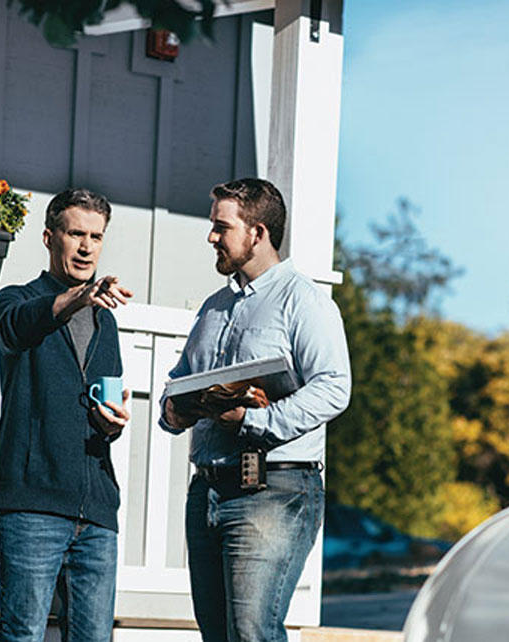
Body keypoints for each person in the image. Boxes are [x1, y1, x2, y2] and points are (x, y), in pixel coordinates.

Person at [159, 178, 351, 642]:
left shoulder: (303, 302)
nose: (211, 237)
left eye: (221, 227)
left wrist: (253, 420)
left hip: (275, 489)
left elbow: (335, 387)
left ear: (258, 233)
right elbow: (179, 382)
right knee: (219, 635)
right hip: (206, 491)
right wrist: (176, 410)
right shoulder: (213, 309)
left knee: (252, 634)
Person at [0, 188, 134, 642]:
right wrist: (76, 299)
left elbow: (101, 401)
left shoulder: (105, 319)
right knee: (23, 636)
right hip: (31, 506)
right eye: (76, 233)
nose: (87, 246)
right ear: (50, 237)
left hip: (96, 511)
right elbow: (20, 326)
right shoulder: (14, 301)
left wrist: (111, 422)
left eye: (96, 236)